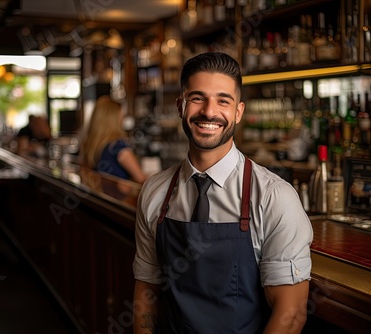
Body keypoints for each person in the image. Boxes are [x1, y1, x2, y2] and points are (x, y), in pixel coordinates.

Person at [132, 52, 313, 333]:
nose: (208, 111)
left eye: (223, 100)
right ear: (181, 106)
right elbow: (147, 289)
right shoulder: (155, 192)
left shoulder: (274, 198)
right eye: (197, 98)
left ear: (238, 112)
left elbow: (290, 315)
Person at [79, 95, 147, 183]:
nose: (123, 121)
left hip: (98, 194)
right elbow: (141, 179)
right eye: (122, 117)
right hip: (119, 196)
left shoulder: (89, 145)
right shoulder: (118, 147)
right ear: (113, 121)